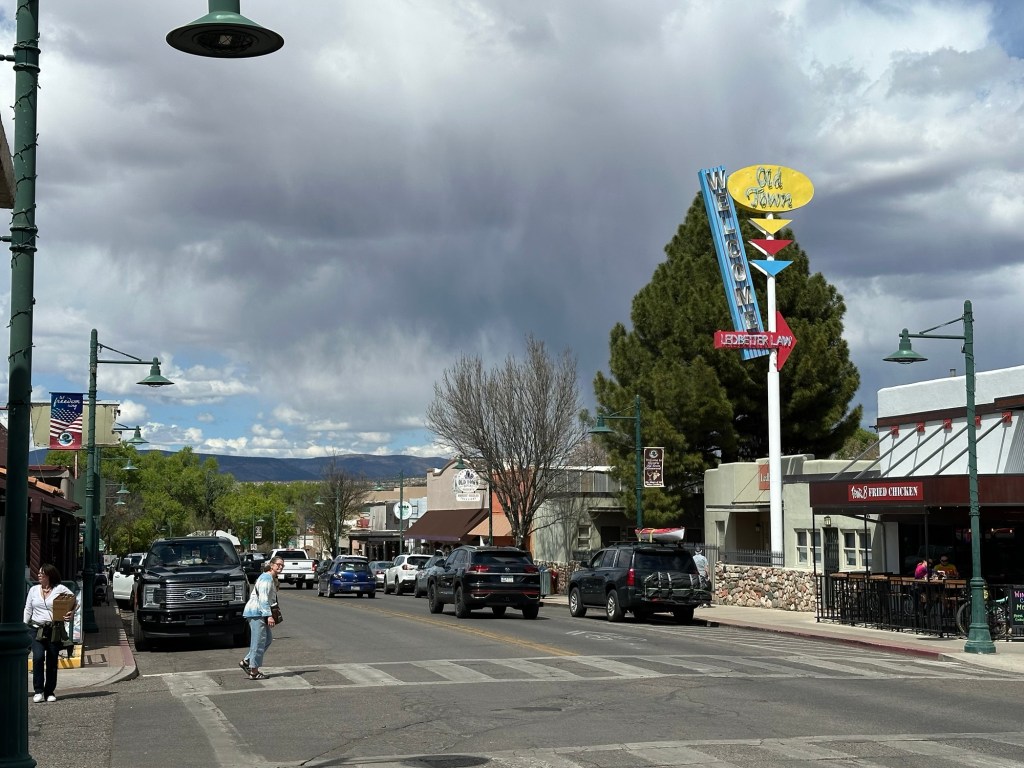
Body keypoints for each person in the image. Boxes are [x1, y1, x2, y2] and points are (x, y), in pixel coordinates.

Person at [23, 563, 77, 703]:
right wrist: (24, 625)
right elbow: (28, 609)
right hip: (36, 629)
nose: (39, 576)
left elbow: (74, 600)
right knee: (38, 657)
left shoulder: (60, 589)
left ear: (49, 576)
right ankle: (38, 690)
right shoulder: (34, 590)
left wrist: (70, 613)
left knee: (52, 660)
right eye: (39, 574)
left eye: (42, 574)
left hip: (53, 629)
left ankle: (49, 692)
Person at [241, 555, 284, 680]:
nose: (280, 566)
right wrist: (269, 616)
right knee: (258, 642)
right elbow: (263, 598)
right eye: (278, 564)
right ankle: (254, 672)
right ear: (271, 565)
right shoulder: (266, 578)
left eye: (282, 565)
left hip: (259, 612)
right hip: (257, 613)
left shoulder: (270, 578)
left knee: (267, 640)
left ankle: (247, 661)